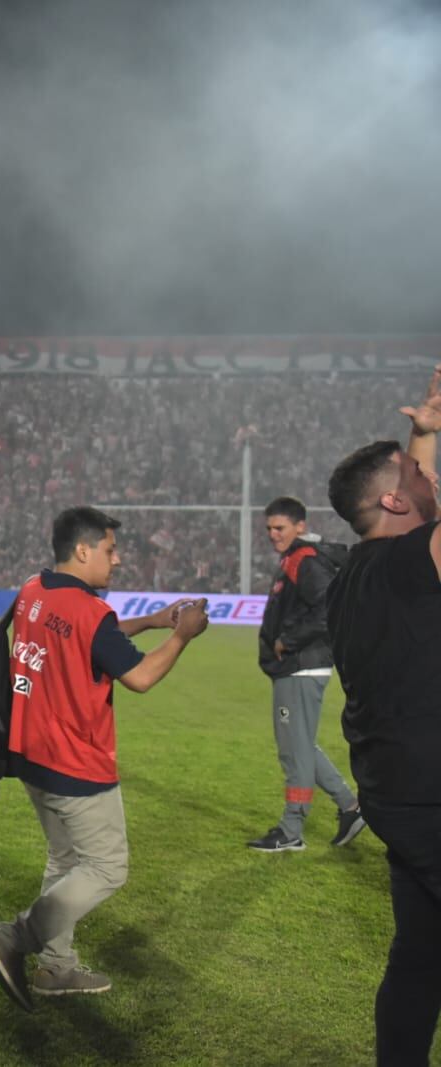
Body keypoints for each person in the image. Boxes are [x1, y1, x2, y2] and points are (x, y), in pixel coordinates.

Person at [0, 506, 209, 1009]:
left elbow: (86, 641)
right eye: (110, 549)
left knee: (65, 859)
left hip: (29, 752)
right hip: (74, 761)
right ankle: (14, 937)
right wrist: (181, 634)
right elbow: (141, 678)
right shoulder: (89, 612)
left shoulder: (33, 590)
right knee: (107, 867)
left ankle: (56, 969)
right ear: (83, 550)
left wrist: (150, 621)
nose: (117, 558)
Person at [323, 367, 441, 1065]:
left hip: (397, 794)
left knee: (421, 956)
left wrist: (420, 434)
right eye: (420, 471)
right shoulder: (407, 564)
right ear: (396, 498)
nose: (432, 476)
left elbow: (416, 490)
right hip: (433, 794)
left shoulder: (355, 576)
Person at [246, 496, 363, 853]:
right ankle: (351, 807)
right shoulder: (294, 559)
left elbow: (329, 608)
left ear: (300, 526)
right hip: (299, 667)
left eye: (279, 527)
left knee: (293, 751)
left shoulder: (304, 559)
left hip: (300, 666)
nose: (272, 534)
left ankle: (292, 827)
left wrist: (287, 641)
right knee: (300, 745)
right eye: (268, 528)